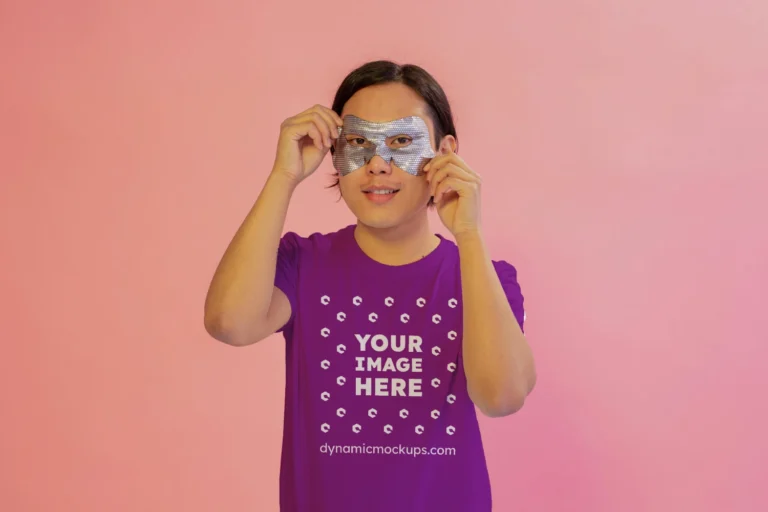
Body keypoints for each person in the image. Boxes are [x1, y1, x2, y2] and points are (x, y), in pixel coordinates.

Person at [204, 60, 537, 512]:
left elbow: (502, 397)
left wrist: (470, 235)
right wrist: (283, 177)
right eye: (358, 142)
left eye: (401, 141)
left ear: (445, 151)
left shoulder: (486, 277)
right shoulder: (301, 264)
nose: (378, 165)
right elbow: (230, 323)